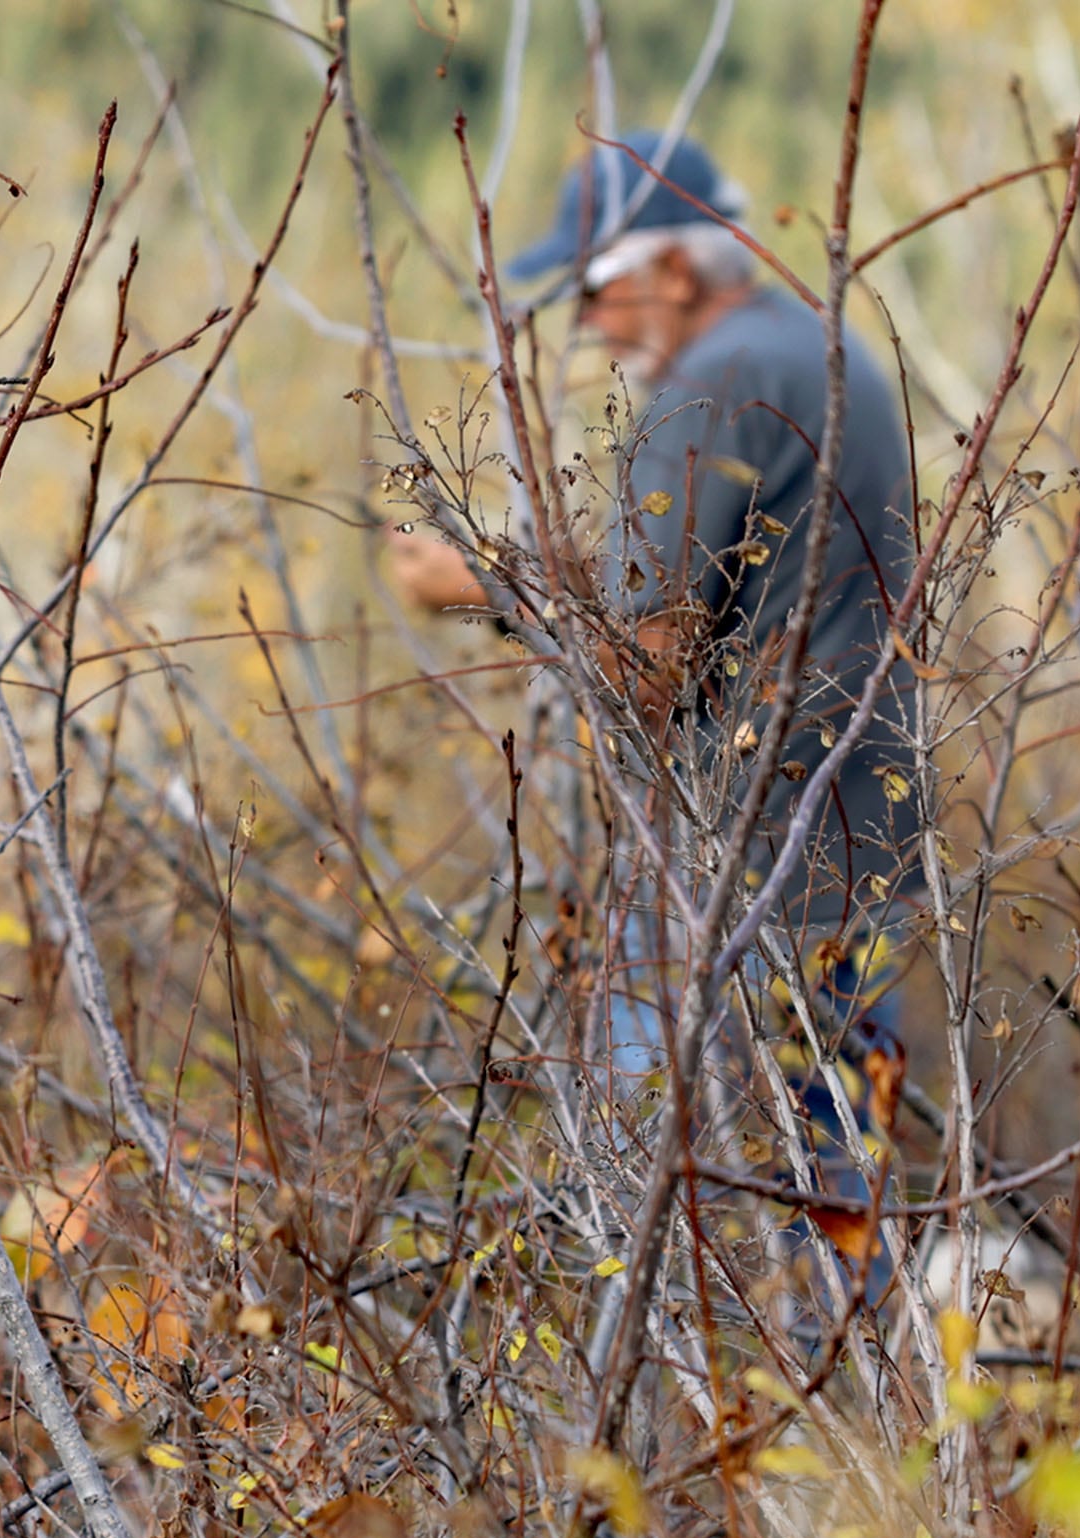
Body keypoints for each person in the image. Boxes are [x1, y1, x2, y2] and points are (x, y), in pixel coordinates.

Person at [395, 129, 925, 1292]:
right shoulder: (816, 353)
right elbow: (730, 578)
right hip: (857, 835)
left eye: (595, 287)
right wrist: (521, 565)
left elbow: (649, 674)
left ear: (674, 272)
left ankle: (710, 1438)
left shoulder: (711, 382)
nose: (587, 323)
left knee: (658, 1181)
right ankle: (861, 1434)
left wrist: (482, 592)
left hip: (746, 857)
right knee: (836, 1182)